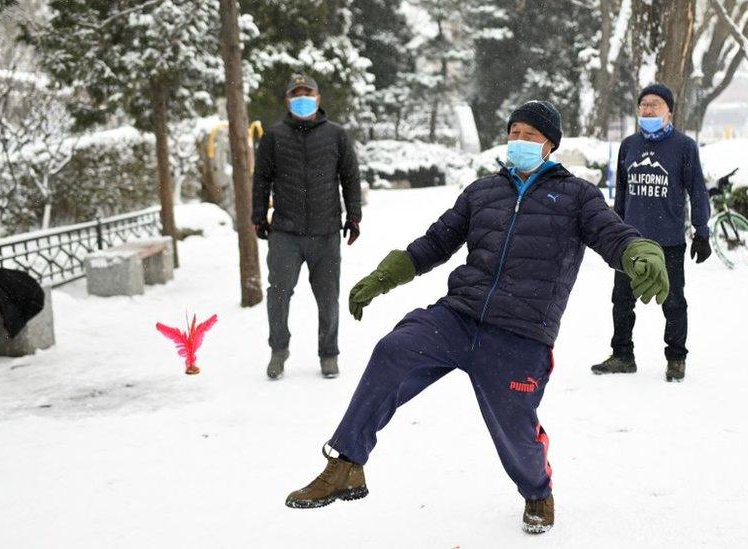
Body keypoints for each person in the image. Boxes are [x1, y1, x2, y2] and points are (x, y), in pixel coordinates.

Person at [283, 101, 670, 534]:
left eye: (530, 135)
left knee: (516, 432)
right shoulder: (483, 191)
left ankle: (537, 491)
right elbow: (436, 241)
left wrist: (639, 250)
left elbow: (610, 232)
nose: (519, 141)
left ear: (550, 144)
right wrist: (384, 276)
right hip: (459, 316)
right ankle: (347, 464)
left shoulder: (577, 196)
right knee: (394, 350)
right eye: (514, 132)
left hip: (521, 333)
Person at [591, 83, 711, 382]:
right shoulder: (629, 146)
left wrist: (702, 230)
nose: (647, 110)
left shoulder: (684, 147)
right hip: (630, 241)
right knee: (621, 300)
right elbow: (622, 192)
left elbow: (697, 191)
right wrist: (612, 230)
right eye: (643, 105)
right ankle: (622, 355)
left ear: (669, 111)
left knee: (673, 302)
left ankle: (676, 358)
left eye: (654, 105)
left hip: (668, 240)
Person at [251, 72, 363, 380]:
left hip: (326, 232)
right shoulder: (273, 137)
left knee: (328, 297)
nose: (302, 98)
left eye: (307, 93)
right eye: (296, 94)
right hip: (285, 232)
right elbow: (261, 179)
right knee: (278, 294)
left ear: (318, 98)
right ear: (288, 100)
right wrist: (258, 216)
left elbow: (350, 178)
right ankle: (279, 349)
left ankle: (329, 353)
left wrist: (354, 217)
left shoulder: (337, 135)